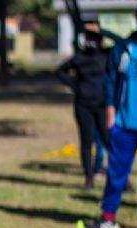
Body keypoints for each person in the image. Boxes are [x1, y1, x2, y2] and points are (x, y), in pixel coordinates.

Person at [89, 6, 137, 228]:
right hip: (124, 124)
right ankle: (108, 217)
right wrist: (110, 110)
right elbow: (110, 81)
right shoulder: (123, 49)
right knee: (116, 173)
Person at [55, 24, 110, 190]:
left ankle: (121, 178)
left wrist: (102, 30)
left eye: (93, 38)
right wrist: (75, 85)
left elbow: (122, 41)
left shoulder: (106, 55)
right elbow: (60, 72)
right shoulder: (80, 57)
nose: (90, 41)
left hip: (102, 105)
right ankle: (88, 177)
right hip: (83, 104)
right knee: (86, 141)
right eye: (88, 38)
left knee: (109, 142)